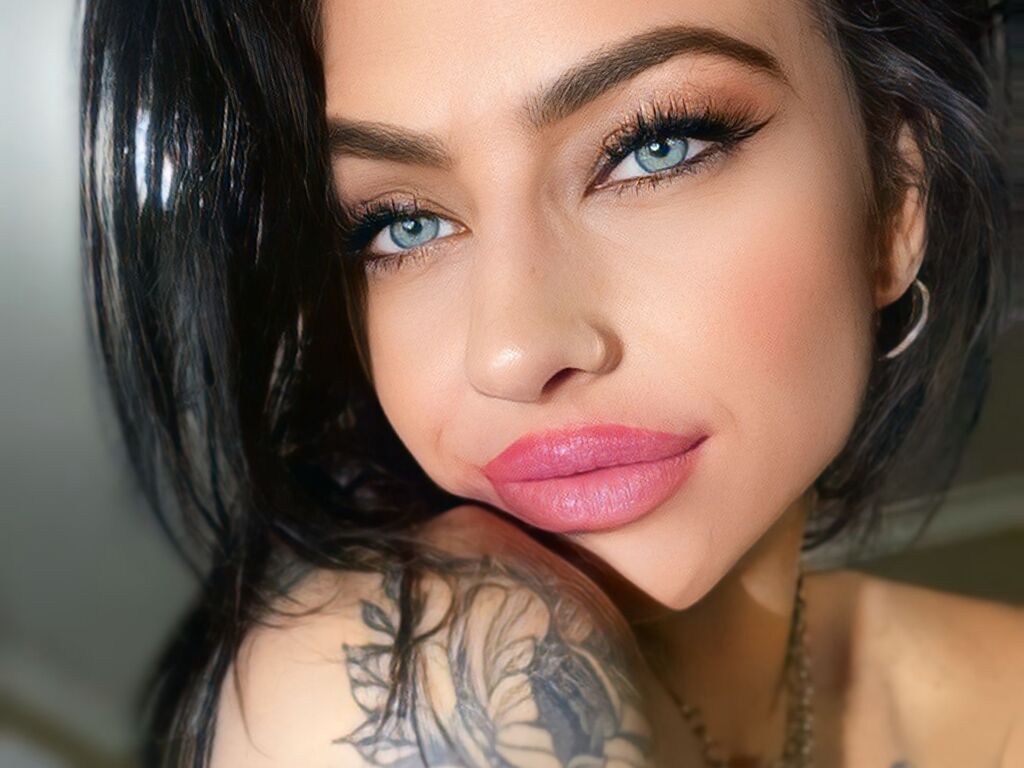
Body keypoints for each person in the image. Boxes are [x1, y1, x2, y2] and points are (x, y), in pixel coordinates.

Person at [79, 0, 1023, 765]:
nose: (513, 351)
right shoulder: (407, 686)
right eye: (401, 223)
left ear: (895, 200)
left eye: (654, 147)